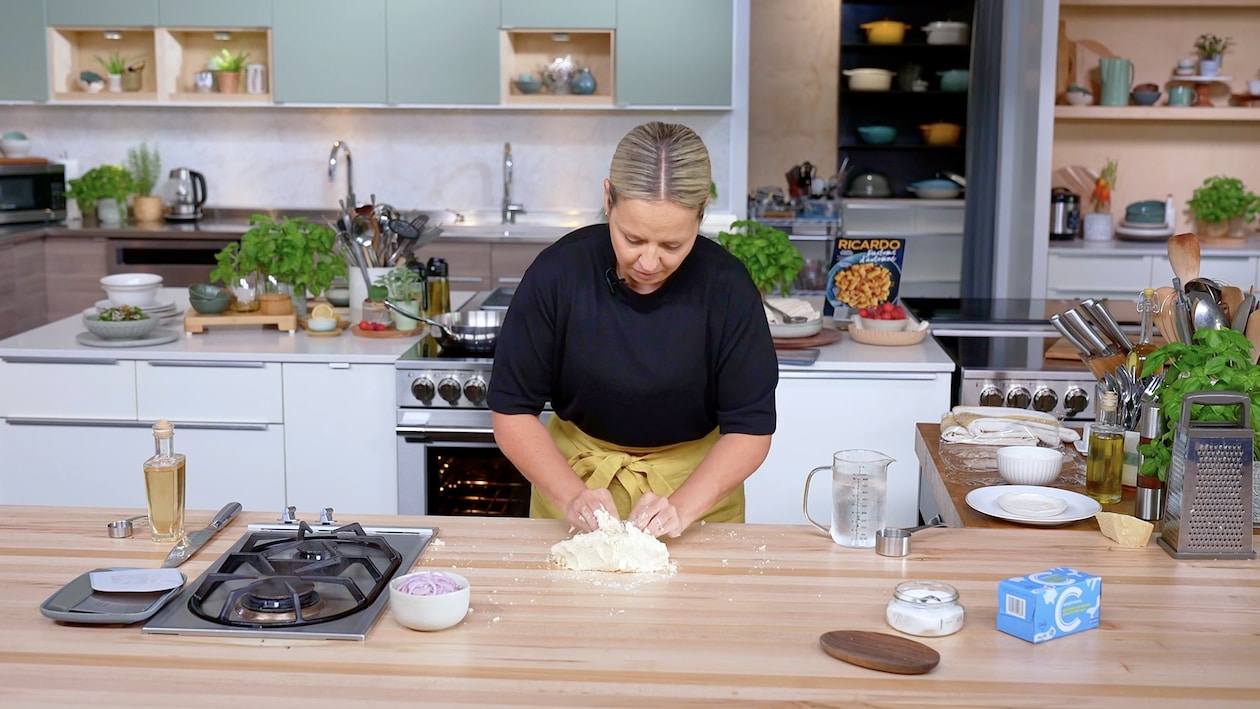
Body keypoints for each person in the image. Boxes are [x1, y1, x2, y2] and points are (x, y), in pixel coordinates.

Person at [487, 121, 778, 539]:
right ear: (608, 198)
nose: (648, 262)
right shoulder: (558, 274)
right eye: (632, 238)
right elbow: (512, 411)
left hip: (695, 499)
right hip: (574, 485)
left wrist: (681, 508)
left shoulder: (727, 288)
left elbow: (750, 429)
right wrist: (572, 497)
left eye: (673, 245)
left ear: (700, 216)